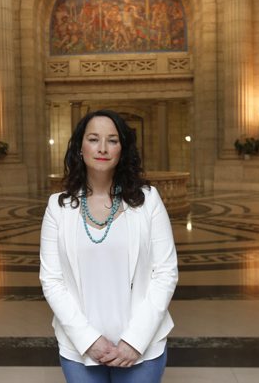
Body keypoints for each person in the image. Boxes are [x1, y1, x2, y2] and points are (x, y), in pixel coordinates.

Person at [39, 109, 178, 383]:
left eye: (112, 140)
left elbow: (166, 273)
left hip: (143, 346)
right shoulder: (58, 207)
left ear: (122, 149)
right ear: (80, 147)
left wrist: (135, 341)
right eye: (93, 139)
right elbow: (52, 280)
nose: (102, 148)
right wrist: (88, 339)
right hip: (79, 347)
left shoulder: (148, 200)